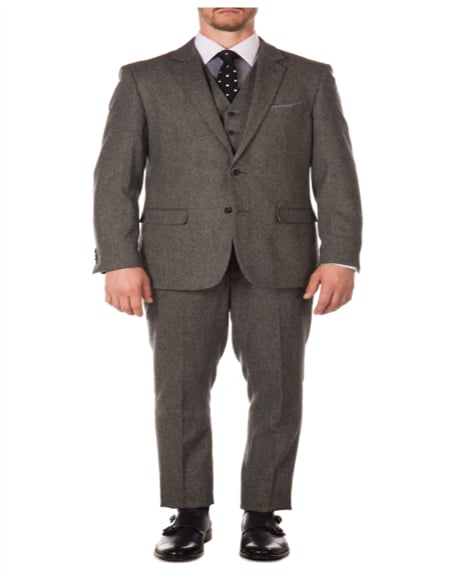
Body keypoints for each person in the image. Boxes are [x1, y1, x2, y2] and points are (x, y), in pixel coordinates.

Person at [93, 7, 362, 562]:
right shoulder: (143, 78)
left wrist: (340, 255)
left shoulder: (310, 77)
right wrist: (119, 257)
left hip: (282, 256)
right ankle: (189, 511)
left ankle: (263, 513)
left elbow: (336, 171)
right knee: (179, 389)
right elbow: (115, 175)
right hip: (176, 258)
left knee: (278, 387)